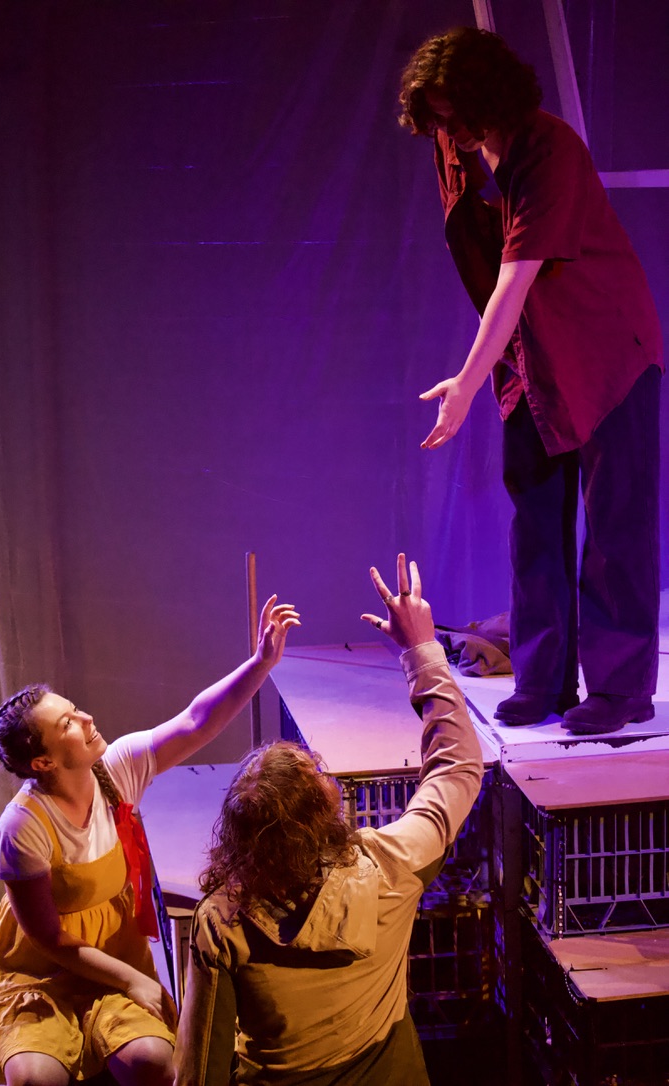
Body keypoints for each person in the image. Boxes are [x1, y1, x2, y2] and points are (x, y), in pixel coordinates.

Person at [399, 27, 663, 734]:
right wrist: (494, 367)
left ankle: (619, 690)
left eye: (458, 114)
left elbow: (513, 282)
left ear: (492, 97)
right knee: (536, 519)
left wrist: (464, 383)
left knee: (615, 522)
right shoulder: (454, 148)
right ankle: (543, 680)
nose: (450, 131)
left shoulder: (549, 151)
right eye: (439, 118)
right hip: (531, 354)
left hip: (606, 348)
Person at [173, 554, 483, 1086]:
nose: (328, 771)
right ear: (324, 817)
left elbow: (200, 1072)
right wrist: (421, 649)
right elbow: (456, 769)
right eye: (319, 771)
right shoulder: (387, 869)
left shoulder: (223, 920)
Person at [0, 595, 300, 1086]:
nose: (86, 719)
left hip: (116, 952)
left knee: (152, 1061)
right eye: (67, 723)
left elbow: (194, 721)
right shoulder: (22, 828)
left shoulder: (116, 768)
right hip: (44, 971)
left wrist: (260, 664)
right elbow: (48, 938)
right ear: (43, 762)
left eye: (75, 710)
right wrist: (132, 980)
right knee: (37, 1077)